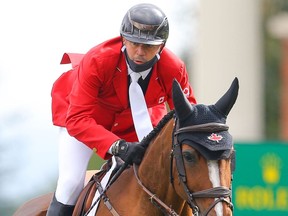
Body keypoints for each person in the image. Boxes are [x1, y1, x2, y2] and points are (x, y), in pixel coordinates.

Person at [47, 3, 197, 216]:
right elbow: (78, 119)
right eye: (134, 43)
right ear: (123, 38)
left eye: (148, 46)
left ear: (161, 46)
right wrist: (117, 146)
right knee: (70, 183)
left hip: (137, 117)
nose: (139, 52)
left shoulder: (174, 68)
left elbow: (187, 118)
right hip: (85, 118)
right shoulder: (98, 60)